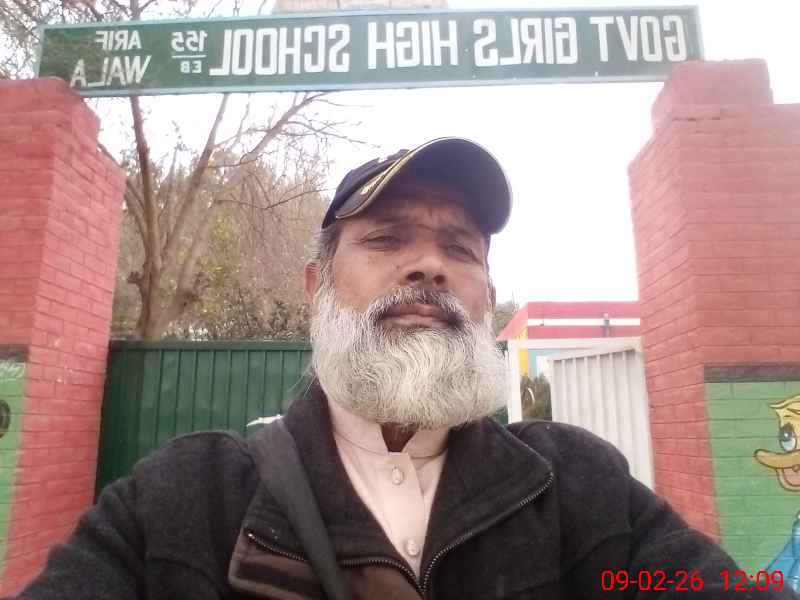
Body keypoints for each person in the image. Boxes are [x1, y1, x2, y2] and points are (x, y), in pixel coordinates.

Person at [10, 138, 796, 599]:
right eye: (386, 239)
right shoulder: (183, 500)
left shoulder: (582, 491)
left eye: (460, 248)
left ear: (486, 294)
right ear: (317, 287)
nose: (429, 265)